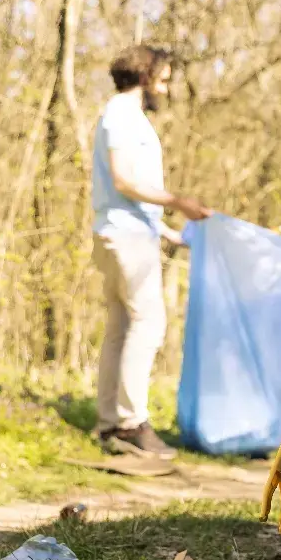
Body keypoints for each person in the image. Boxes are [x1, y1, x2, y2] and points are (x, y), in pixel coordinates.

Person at [92, 45, 212, 458]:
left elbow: (124, 193)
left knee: (121, 327)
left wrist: (165, 229)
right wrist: (178, 201)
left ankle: (109, 424)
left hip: (124, 231)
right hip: (124, 237)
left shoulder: (124, 116)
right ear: (144, 77)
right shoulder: (122, 115)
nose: (166, 88)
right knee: (149, 324)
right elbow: (124, 181)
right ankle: (130, 423)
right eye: (163, 79)